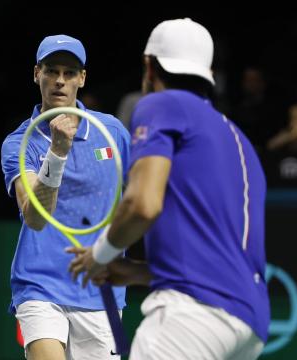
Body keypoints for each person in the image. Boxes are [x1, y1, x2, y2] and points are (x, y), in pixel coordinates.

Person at [69, 19, 269, 359]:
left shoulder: (161, 105)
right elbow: (218, 259)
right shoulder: (239, 140)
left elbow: (143, 204)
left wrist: (99, 254)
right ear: (207, 73)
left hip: (190, 317)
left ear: (149, 66)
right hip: (249, 324)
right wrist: (133, 272)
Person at [0, 35, 130, 360]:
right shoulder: (19, 143)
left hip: (102, 288)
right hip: (40, 283)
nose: (60, 80)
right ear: (36, 74)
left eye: (70, 72)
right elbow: (34, 217)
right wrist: (57, 153)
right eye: (51, 71)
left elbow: (147, 192)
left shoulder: (111, 132)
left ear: (82, 78)